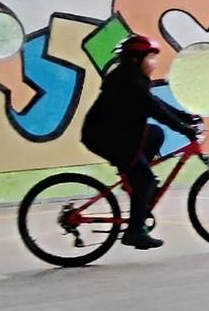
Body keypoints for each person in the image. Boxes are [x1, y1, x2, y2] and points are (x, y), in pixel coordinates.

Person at [78, 34, 201, 250]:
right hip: (107, 137)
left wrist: (184, 117)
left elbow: (155, 102)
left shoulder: (132, 77)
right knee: (143, 180)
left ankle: (137, 180)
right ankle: (134, 231)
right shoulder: (129, 81)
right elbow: (153, 109)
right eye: (150, 58)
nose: (154, 63)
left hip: (118, 133)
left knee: (155, 134)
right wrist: (184, 129)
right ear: (135, 59)